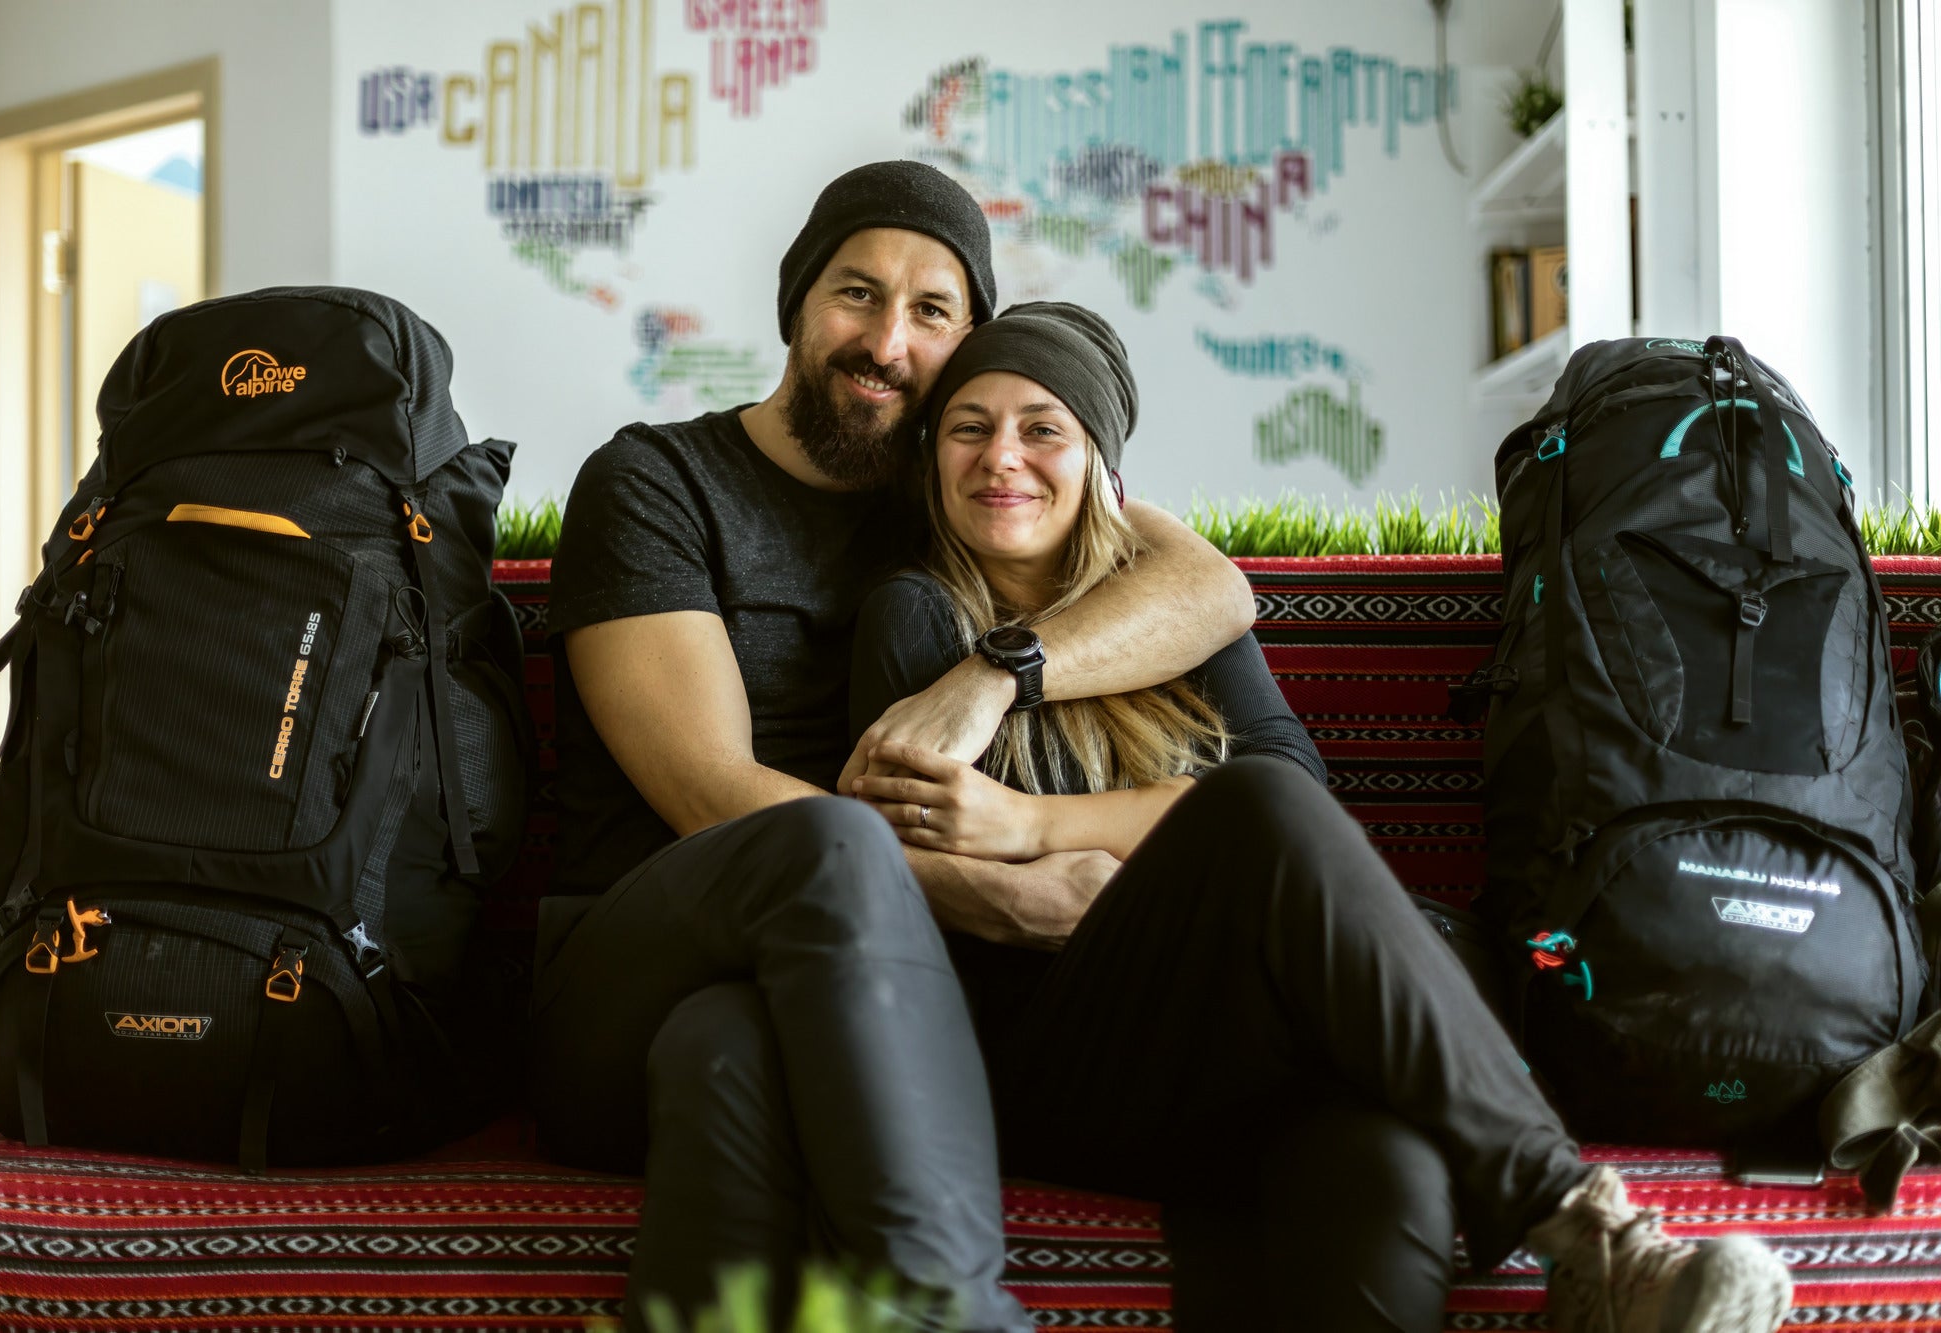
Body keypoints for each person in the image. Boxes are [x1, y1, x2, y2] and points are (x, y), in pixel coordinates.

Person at [843, 301, 1797, 1333]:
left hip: (1238, 1037)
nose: (1001, 459)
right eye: (968, 426)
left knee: (1385, 1160)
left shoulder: (1163, 611)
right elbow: (911, 851)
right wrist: (1107, 849)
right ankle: (1587, 1227)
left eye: (1041, 428)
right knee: (1247, 804)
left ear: (1098, 464)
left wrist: (1033, 825)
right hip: (1045, 1051)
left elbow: (1296, 795)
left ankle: (1594, 1279)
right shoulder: (917, 614)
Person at [533, 161, 1256, 1331]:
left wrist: (993, 672)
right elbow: (712, 793)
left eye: (931, 312)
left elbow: (1205, 585)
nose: (883, 341)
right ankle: (952, 1309)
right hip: (625, 968)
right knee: (819, 840)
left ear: (966, 341)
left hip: (792, 1007)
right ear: (797, 305)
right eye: (854, 294)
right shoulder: (656, 481)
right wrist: (994, 893)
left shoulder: (965, 488)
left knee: (730, 1054)